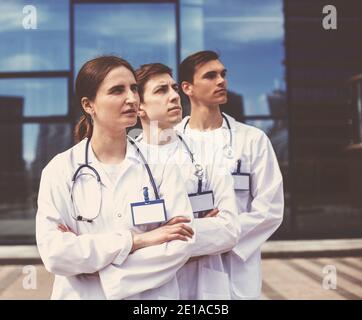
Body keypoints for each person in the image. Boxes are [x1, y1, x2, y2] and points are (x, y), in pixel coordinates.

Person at [36, 56, 195, 300]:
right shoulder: (60, 171)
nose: (131, 98)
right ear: (89, 105)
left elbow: (179, 244)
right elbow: (56, 255)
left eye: (133, 88)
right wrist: (137, 241)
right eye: (117, 90)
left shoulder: (161, 166)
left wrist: (101, 273)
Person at [176, 50, 284, 299]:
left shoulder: (252, 139)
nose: (221, 81)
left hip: (236, 266)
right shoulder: (168, 142)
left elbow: (270, 209)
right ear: (187, 88)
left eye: (223, 74)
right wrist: (201, 237)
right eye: (210, 76)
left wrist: (221, 234)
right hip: (185, 267)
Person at [134, 63, 240, 299]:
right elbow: (123, 237)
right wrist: (201, 233)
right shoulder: (128, 161)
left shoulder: (209, 153)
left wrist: (159, 236)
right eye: (161, 91)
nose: (174, 96)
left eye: (173, 88)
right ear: (139, 106)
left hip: (204, 287)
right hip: (151, 291)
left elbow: (230, 229)